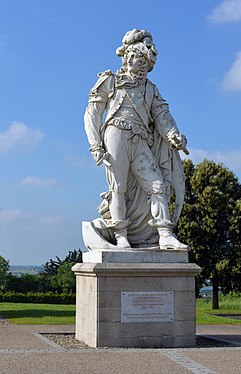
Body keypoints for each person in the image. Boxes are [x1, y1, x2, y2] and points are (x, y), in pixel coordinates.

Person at [84, 29, 188, 250]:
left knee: (158, 184)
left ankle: (164, 234)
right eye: (129, 55)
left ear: (145, 63)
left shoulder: (150, 89)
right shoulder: (109, 80)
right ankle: (121, 235)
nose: (132, 59)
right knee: (118, 187)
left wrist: (173, 135)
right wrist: (95, 144)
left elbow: (162, 115)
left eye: (138, 57)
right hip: (115, 135)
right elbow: (92, 113)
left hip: (140, 139)